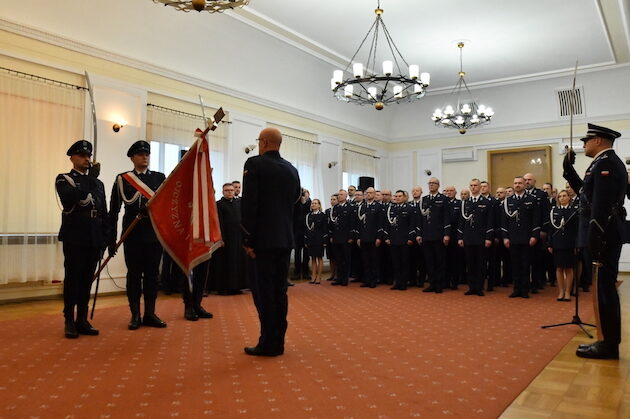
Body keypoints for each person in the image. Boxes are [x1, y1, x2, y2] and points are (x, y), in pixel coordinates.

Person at [563, 123, 625, 359]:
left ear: (598, 141)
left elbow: (600, 207)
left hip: (604, 235)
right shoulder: (601, 163)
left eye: (586, 141)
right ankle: (606, 341)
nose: (583, 145)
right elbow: (586, 194)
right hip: (605, 234)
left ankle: (608, 345)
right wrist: (569, 170)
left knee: (604, 291)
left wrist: (594, 237)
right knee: (602, 290)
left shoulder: (607, 163)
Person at [242, 127, 301, 357]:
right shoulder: (292, 170)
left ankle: (268, 343)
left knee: (263, 293)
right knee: (279, 292)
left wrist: (247, 238)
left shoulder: (254, 164)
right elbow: (296, 207)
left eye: (259, 141)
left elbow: (250, 205)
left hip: (262, 243)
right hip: (284, 241)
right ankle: (278, 341)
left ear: (264, 142)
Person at [108, 140, 167, 330]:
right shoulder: (122, 179)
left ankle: (150, 313)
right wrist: (110, 239)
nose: (145, 157)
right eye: (141, 154)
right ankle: (135, 315)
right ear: (132, 157)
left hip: (153, 234)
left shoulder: (159, 178)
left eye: (147, 154)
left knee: (152, 276)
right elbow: (114, 211)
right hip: (132, 234)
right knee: (134, 275)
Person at [55, 140, 108, 338]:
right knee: (73, 279)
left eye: (89, 156)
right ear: (72, 158)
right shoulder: (64, 179)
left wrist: (106, 238)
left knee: (87, 280)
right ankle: (69, 319)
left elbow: (103, 212)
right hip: (75, 236)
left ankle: (82, 319)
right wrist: (90, 180)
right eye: (82, 156)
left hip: (94, 236)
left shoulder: (98, 183)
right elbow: (70, 199)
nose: (87, 159)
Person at [501, 176, 541, 298]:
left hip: (527, 237)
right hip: (513, 237)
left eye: (520, 183)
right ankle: (516, 289)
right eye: (515, 183)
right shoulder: (508, 201)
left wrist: (534, 235)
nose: (517, 185)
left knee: (525, 264)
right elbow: (504, 221)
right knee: (515, 264)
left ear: (524, 184)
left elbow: (536, 219)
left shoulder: (532, 199)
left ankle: (525, 290)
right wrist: (505, 237)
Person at [210, 183, 248, 295]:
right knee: (225, 263)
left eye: (231, 190)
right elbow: (218, 223)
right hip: (225, 239)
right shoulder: (218, 205)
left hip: (238, 239)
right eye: (227, 190)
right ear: (223, 192)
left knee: (237, 263)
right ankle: (224, 288)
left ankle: (236, 286)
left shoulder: (238, 204)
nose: (230, 192)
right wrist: (221, 238)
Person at [458, 179, 493, 296]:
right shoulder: (465, 202)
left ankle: (479, 287)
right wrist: (460, 237)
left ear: (480, 187)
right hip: (468, 238)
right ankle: (471, 287)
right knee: (470, 263)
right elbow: (461, 222)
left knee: (481, 264)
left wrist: (488, 237)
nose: (473, 188)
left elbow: (489, 222)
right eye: (471, 186)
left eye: (475, 185)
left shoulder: (487, 202)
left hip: (481, 238)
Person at [419, 177, 451, 293]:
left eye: (433, 183)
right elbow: (421, 219)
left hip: (439, 235)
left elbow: (447, 218)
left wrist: (446, 234)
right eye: (430, 183)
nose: (431, 185)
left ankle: (439, 284)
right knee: (429, 261)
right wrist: (419, 234)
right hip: (426, 235)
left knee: (440, 261)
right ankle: (432, 283)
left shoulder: (443, 199)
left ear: (438, 185)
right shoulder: (424, 199)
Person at [547, 190, 578, 301]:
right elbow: (550, 229)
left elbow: (577, 229)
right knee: (559, 268)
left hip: (570, 243)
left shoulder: (574, 211)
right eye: (560, 196)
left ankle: (568, 292)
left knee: (569, 268)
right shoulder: (554, 211)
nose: (562, 198)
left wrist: (577, 244)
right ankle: (561, 291)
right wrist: (550, 243)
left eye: (564, 196)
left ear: (569, 198)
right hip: (557, 243)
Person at [384, 190, 415, 290]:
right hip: (393, 239)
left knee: (404, 262)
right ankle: (397, 282)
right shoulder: (391, 209)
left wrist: (411, 238)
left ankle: (404, 283)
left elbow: (412, 225)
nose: (397, 198)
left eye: (400, 196)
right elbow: (387, 225)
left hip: (404, 240)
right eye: (396, 196)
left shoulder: (409, 208)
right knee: (396, 262)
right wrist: (387, 237)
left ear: (405, 198)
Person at [355, 187, 383, 288]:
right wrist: (358, 237)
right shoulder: (362, 207)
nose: (369, 195)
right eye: (367, 193)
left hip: (374, 237)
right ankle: (367, 280)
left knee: (374, 260)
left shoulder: (378, 207)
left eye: (371, 193)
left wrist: (379, 238)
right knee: (365, 260)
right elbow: (359, 224)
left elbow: (380, 224)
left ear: (375, 194)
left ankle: (374, 280)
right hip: (363, 237)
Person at [305, 199, 327, 284]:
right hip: (311, 239)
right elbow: (306, 229)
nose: (313, 205)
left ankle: (319, 276)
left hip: (319, 239)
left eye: (315, 203)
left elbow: (325, 229)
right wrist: (306, 240)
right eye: (312, 203)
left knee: (319, 258)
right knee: (313, 258)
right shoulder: (308, 216)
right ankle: (313, 276)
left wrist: (324, 240)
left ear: (319, 205)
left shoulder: (322, 215)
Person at [292, 188, 311, 281]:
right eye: (302, 193)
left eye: (305, 193)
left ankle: (306, 271)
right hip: (297, 232)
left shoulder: (311, 204)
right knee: (297, 253)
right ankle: (297, 272)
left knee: (307, 254)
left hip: (307, 232)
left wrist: (306, 200)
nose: (304, 195)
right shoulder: (296, 204)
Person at [324, 194, 338, 281]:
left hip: (336, 236)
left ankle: (337, 274)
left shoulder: (339, 210)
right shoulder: (327, 211)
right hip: (329, 236)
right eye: (331, 199)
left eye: (334, 199)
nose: (332, 201)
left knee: (337, 256)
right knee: (331, 256)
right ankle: (332, 274)